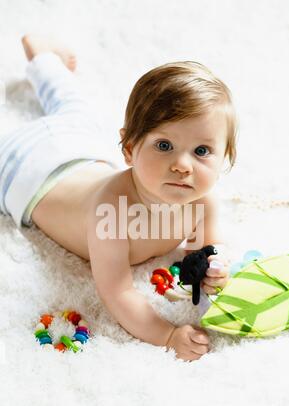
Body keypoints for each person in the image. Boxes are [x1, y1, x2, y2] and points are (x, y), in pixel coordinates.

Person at [0, 34, 237, 362]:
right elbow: (117, 291)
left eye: (201, 151)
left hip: (80, 148)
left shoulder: (204, 202)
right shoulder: (111, 211)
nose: (183, 166)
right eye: (164, 146)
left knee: (73, 107)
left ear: (223, 156)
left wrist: (215, 268)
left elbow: (207, 248)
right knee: (70, 109)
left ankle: (44, 59)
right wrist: (167, 334)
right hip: (26, 170)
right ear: (128, 150)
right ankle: (44, 63)